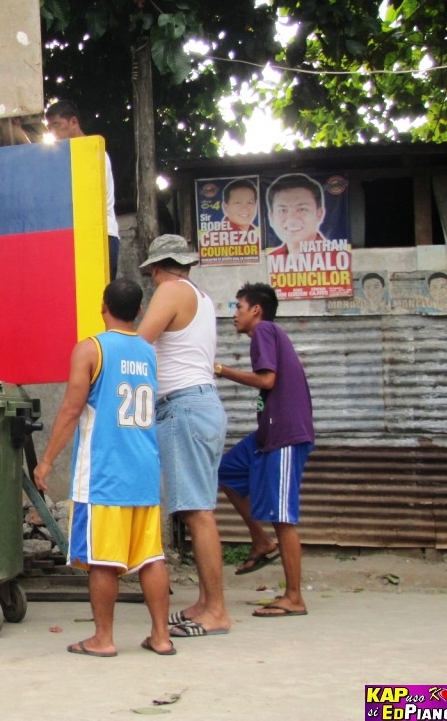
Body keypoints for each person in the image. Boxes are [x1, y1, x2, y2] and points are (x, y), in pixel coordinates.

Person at [34, 279, 174, 658]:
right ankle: (161, 636)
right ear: (140, 311)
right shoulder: (147, 352)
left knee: (102, 559)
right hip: (144, 469)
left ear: (102, 306)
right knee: (151, 557)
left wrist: (46, 461)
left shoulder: (90, 349)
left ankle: (103, 638)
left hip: (105, 473)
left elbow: (70, 410)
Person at [137, 234, 231, 638]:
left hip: (184, 407)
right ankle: (207, 604)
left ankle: (217, 612)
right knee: (199, 509)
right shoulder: (201, 297)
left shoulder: (170, 291)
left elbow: (141, 343)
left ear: (158, 268)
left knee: (197, 512)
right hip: (201, 405)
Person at [216, 283, 315, 617]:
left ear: (255, 309)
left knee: (283, 517)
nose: (235, 314)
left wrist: (220, 370)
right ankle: (260, 541)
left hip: (285, 434)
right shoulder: (268, 333)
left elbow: (267, 380)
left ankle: (294, 597)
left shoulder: (264, 331)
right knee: (225, 471)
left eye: (239, 306)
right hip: (266, 435)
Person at [45, 100, 119, 279]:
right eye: (49, 128)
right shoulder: (70, 155)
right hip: (83, 233)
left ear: (73, 122)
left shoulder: (90, 150)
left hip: (99, 233)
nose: (53, 133)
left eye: (57, 125)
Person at [265, 173, 327, 256]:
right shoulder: (271, 259)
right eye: (283, 210)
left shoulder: (338, 259)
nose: (291, 219)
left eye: (302, 209)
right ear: (271, 217)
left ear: (319, 214)